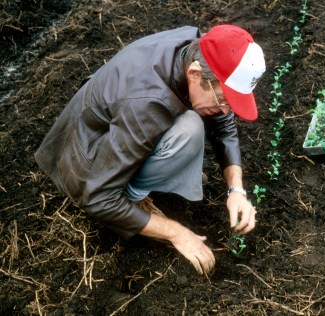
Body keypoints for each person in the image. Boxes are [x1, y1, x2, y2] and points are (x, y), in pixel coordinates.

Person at [34, 25, 266, 275]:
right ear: (196, 74)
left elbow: (223, 125)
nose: (225, 111)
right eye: (223, 100)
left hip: (118, 127)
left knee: (197, 120)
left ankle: (149, 179)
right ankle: (132, 198)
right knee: (190, 130)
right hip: (86, 160)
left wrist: (236, 190)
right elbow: (98, 199)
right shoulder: (147, 103)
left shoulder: (197, 48)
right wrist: (178, 233)